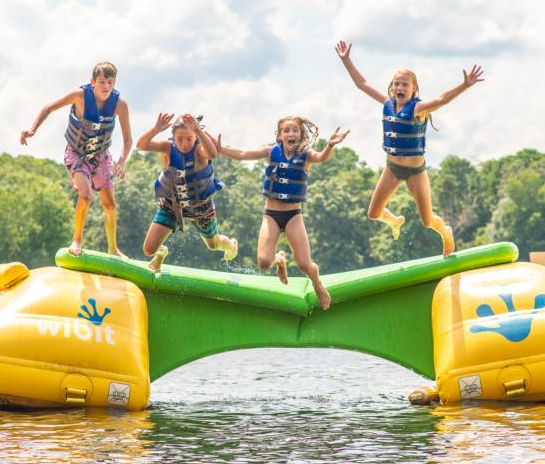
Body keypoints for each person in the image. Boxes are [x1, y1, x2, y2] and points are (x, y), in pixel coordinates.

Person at [335, 40, 484, 257]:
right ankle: (395, 221)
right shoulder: (387, 103)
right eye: (396, 84)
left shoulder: (418, 109)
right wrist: (346, 60)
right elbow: (362, 84)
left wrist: (465, 85)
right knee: (374, 213)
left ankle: (446, 232)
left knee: (427, 220)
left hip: (416, 171)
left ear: (414, 89)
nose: (399, 88)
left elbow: (442, 100)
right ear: (392, 87)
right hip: (392, 168)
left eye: (405, 84)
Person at [210, 117, 349, 310]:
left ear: (301, 136)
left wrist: (330, 145)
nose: (291, 134)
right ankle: (279, 258)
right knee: (264, 262)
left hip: (294, 216)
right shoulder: (270, 151)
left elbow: (321, 158)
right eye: (287, 130)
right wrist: (221, 149)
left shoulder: (306, 155)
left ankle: (318, 284)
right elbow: (242, 154)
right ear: (280, 135)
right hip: (271, 215)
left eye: (295, 131)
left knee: (304, 265)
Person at [20, 61, 132, 257]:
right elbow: (48, 108)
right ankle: (77, 240)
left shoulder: (120, 105)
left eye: (110, 82)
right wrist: (32, 129)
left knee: (110, 205)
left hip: (101, 155)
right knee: (86, 195)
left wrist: (121, 162)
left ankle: (113, 249)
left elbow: (128, 140)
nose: (106, 86)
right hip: (77, 154)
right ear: (93, 82)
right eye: (101, 82)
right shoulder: (79, 96)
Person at [137, 113, 238, 272]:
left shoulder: (199, 150)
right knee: (149, 249)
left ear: (195, 136)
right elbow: (141, 145)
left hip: (201, 207)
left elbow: (212, 154)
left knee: (213, 245)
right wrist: (155, 129)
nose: (184, 144)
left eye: (189, 139)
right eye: (180, 139)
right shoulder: (167, 148)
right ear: (173, 137)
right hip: (172, 204)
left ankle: (231, 246)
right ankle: (161, 253)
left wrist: (198, 131)